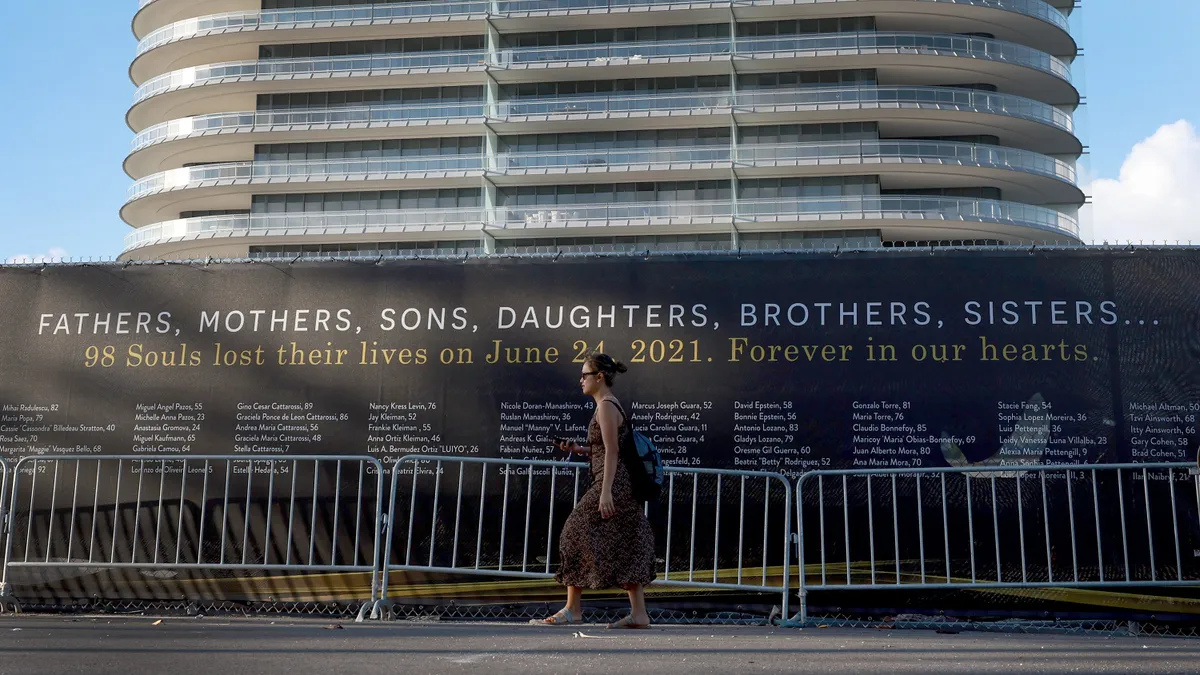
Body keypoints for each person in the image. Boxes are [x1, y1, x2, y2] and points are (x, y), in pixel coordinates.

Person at [532, 352, 657, 628]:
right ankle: (638, 614)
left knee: (573, 533)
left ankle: (573, 610)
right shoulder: (607, 406)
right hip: (615, 483)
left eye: (585, 375)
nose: (581, 380)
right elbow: (605, 449)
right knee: (627, 541)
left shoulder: (606, 406)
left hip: (613, 484)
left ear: (599, 377)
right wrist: (579, 449)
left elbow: (613, 451)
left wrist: (606, 491)